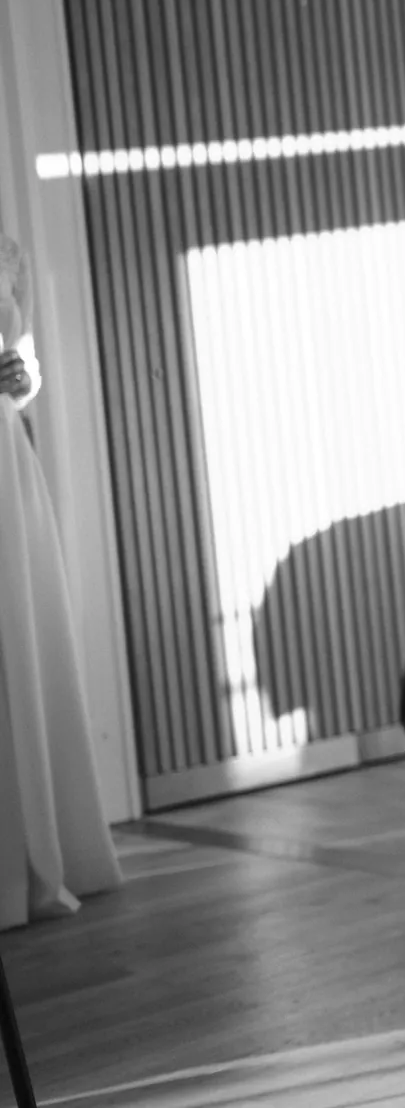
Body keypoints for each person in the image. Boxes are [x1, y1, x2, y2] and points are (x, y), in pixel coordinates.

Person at [0, 232, 123, 929]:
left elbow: (27, 365)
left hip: (7, 465)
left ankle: (42, 853)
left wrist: (23, 381)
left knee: (25, 639)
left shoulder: (7, 251)